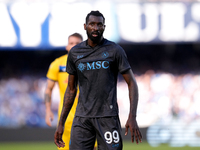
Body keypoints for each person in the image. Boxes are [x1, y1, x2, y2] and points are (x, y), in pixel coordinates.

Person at [54, 11, 142, 150]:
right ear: (85, 26)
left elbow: (132, 83)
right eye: (92, 24)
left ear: (104, 27)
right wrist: (61, 123)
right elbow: (71, 89)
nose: (95, 28)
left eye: (99, 24)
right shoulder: (75, 53)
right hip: (82, 118)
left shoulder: (115, 50)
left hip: (107, 117)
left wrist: (132, 116)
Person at [44, 33, 83, 150]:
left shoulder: (91, 64)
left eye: (78, 43)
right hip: (66, 117)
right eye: (71, 43)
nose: (74, 46)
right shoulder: (58, 64)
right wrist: (48, 111)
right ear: (67, 46)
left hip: (87, 116)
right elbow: (48, 89)